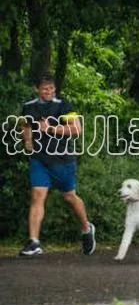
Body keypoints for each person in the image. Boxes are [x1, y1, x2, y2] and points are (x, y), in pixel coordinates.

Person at [18, 74, 96, 257]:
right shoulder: (28, 107)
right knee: (37, 195)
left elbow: (76, 129)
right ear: (37, 89)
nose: (49, 91)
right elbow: (25, 126)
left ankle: (86, 229)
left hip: (62, 159)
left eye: (52, 88)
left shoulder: (64, 105)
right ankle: (34, 242)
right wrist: (28, 142)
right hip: (39, 159)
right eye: (45, 88)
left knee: (69, 197)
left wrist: (51, 129)